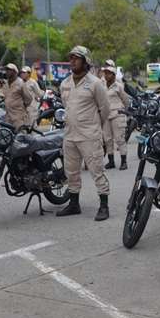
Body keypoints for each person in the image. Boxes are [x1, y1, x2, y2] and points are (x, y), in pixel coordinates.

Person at [57, 46, 111, 220]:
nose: (72, 61)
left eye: (76, 58)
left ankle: (104, 206)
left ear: (85, 61)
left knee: (97, 170)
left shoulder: (95, 83)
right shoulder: (65, 83)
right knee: (71, 171)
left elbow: (105, 109)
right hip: (70, 135)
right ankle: (74, 204)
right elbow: (67, 107)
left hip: (89, 135)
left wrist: (94, 127)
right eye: (70, 58)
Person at [101, 62, 130, 170]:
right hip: (106, 115)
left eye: (108, 73)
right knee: (107, 139)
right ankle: (111, 161)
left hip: (118, 115)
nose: (106, 75)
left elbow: (126, 100)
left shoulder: (119, 86)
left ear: (113, 75)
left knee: (119, 139)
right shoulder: (102, 86)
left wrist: (124, 111)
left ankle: (124, 162)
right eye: (105, 73)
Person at [2, 63, 33, 129]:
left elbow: (28, 98)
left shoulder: (21, 83)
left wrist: (21, 106)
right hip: (8, 116)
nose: (7, 72)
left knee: (20, 136)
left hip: (18, 116)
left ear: (15, 72)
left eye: (9, 70)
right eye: (6, 70)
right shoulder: (6, 84)